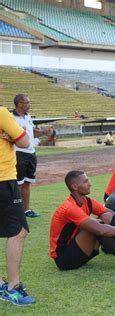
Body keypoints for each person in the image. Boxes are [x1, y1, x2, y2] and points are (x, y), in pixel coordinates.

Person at [0, 105, 35, 305]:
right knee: (19, 231)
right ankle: (13, 287)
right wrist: (12, 137)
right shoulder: (1, 113)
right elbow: (24, 140)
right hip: (3, 180)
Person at [12, 94, 44, 218]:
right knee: (18, 183)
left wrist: (43, 132)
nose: (29, 104)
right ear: (20, 104)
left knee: (27, 183)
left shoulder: (28, 116)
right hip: (18, 153)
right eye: (27, 102)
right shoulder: (11, 118)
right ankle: (17, 210)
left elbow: (31, 133)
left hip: (31, 153)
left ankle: (26, 210)